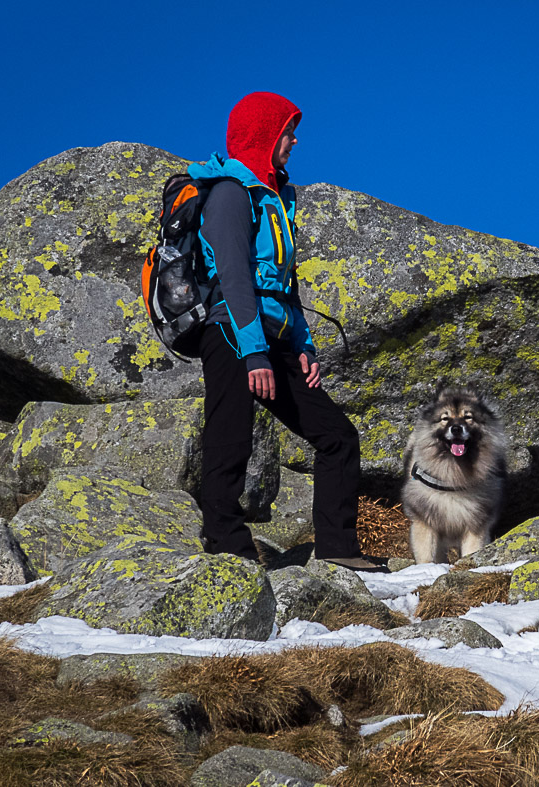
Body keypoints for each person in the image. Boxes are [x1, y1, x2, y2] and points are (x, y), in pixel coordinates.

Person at [189, 91, 386, 573]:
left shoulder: (276, 198)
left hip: (274, 340)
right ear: (263, 135)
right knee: (230, 440)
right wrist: (255, 354)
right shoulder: (231, 194)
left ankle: (338, 548)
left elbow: (282, 283)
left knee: (338, 436)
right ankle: (226, 546)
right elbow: (235, 276)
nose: (294, 140)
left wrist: (303, 346)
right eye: (287, 131)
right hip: (233, 335)